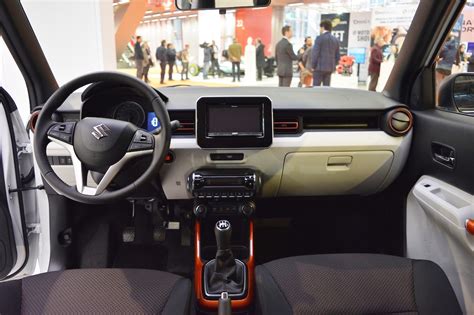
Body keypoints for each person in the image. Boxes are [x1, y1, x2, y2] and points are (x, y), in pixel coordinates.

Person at [312, 20, 340, 87]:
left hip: (319, 67)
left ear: (323, 27)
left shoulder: (319, 38)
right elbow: (337, 56)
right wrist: (333, 64)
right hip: (330, 68)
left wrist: (313, 66)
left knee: (316, 88)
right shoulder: (335, 40)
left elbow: (315, 53)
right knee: (326, 88)